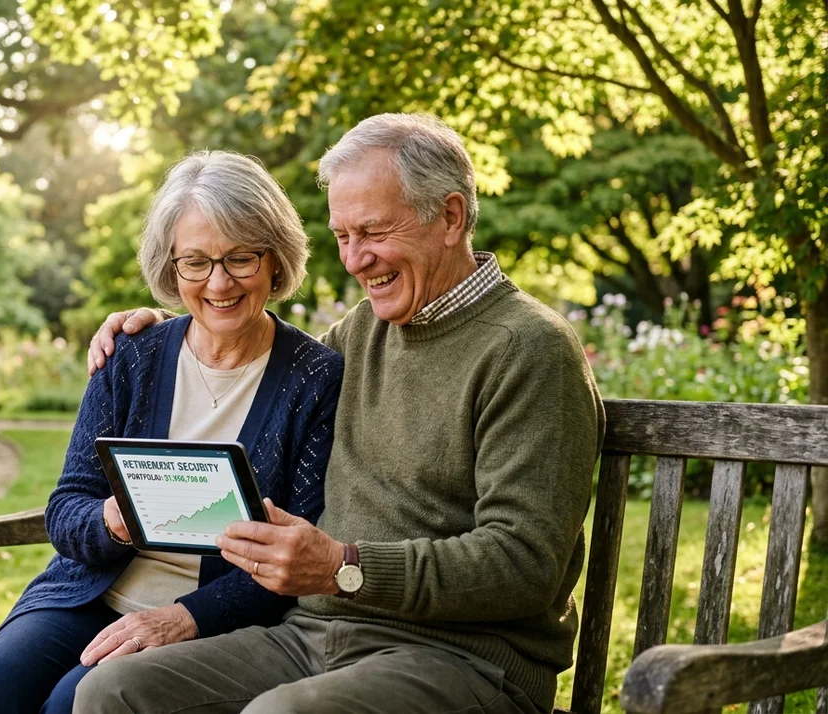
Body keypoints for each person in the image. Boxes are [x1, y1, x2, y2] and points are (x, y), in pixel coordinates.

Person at [77, 114, 605, 714]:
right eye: (342, 236)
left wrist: (342, 568)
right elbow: (264, 359)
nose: (355, 260)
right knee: (113, 692)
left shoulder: (529, 349)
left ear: (451, 217)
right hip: (316, 637)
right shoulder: (366, 328)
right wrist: (170, 330)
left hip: (464, 659)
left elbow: (524, 563)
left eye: (373, 230)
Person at [0, 151, 344, 714]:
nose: (219, 282)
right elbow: (65, 510)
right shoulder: (132, 355)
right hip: (85, 594)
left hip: (206, 618)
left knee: (70, 704)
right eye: (196, 262)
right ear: (171, 267)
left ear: (275, 260)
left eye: (240, 258)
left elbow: (293, 560)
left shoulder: (314, 379)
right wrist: (112, 520)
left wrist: (183, 618)